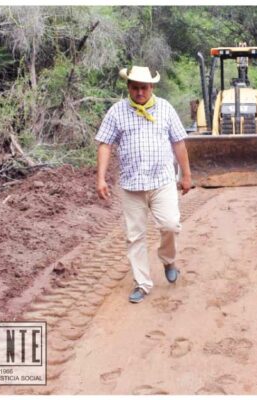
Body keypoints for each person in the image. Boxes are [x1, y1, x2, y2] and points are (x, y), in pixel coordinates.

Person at [95, 65, 193, 304]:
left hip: (162, 181)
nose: (140, 92)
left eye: (144, 88)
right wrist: (100, 178)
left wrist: (187, 175)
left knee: (170, 225)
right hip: (131, 185)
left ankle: (168, 260)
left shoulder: (165, 109)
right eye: (135, 87)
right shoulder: (117, 112)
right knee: (134, 236)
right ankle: (142, 282)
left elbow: (178, 142)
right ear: (128, 87)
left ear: (152, 87)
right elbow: (105, 144)